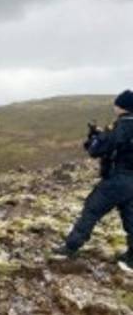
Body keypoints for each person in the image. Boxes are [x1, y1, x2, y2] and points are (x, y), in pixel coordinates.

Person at [54, 90, 133, 272]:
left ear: (121, 106)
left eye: (116, 104)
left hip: (116, 180)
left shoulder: (119, 127)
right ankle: (132, 258)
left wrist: (94, 137)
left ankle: (70, 247)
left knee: (91, 210)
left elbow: (95, 150)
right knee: (131, 218)